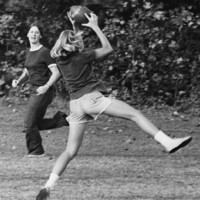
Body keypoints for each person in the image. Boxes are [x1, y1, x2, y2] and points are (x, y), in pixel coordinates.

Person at [36, 11, 192, 199]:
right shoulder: (83, 57)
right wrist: (94, 26)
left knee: (69, 151)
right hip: (92, 99)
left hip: (75, 105)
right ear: (74, 44)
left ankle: (47, 187)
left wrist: (75, 26)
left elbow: (72, 43)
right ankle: (168, 142)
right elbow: (107, 48)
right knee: (135, 114)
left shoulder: (60, 60)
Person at [12, 23, 69, 157]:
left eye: (36, 32)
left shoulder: (44, 52)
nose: (33, 34)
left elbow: (56, 73)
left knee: (28, 123)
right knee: (33, 123)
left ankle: (36, 151)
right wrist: (19, 81)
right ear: (27, 35)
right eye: (31, 32)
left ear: (40, 36)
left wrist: (46, 86)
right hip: (33, 90)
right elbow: (27, 70)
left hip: (44, 91)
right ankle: (62, 120)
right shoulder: (28, 51)